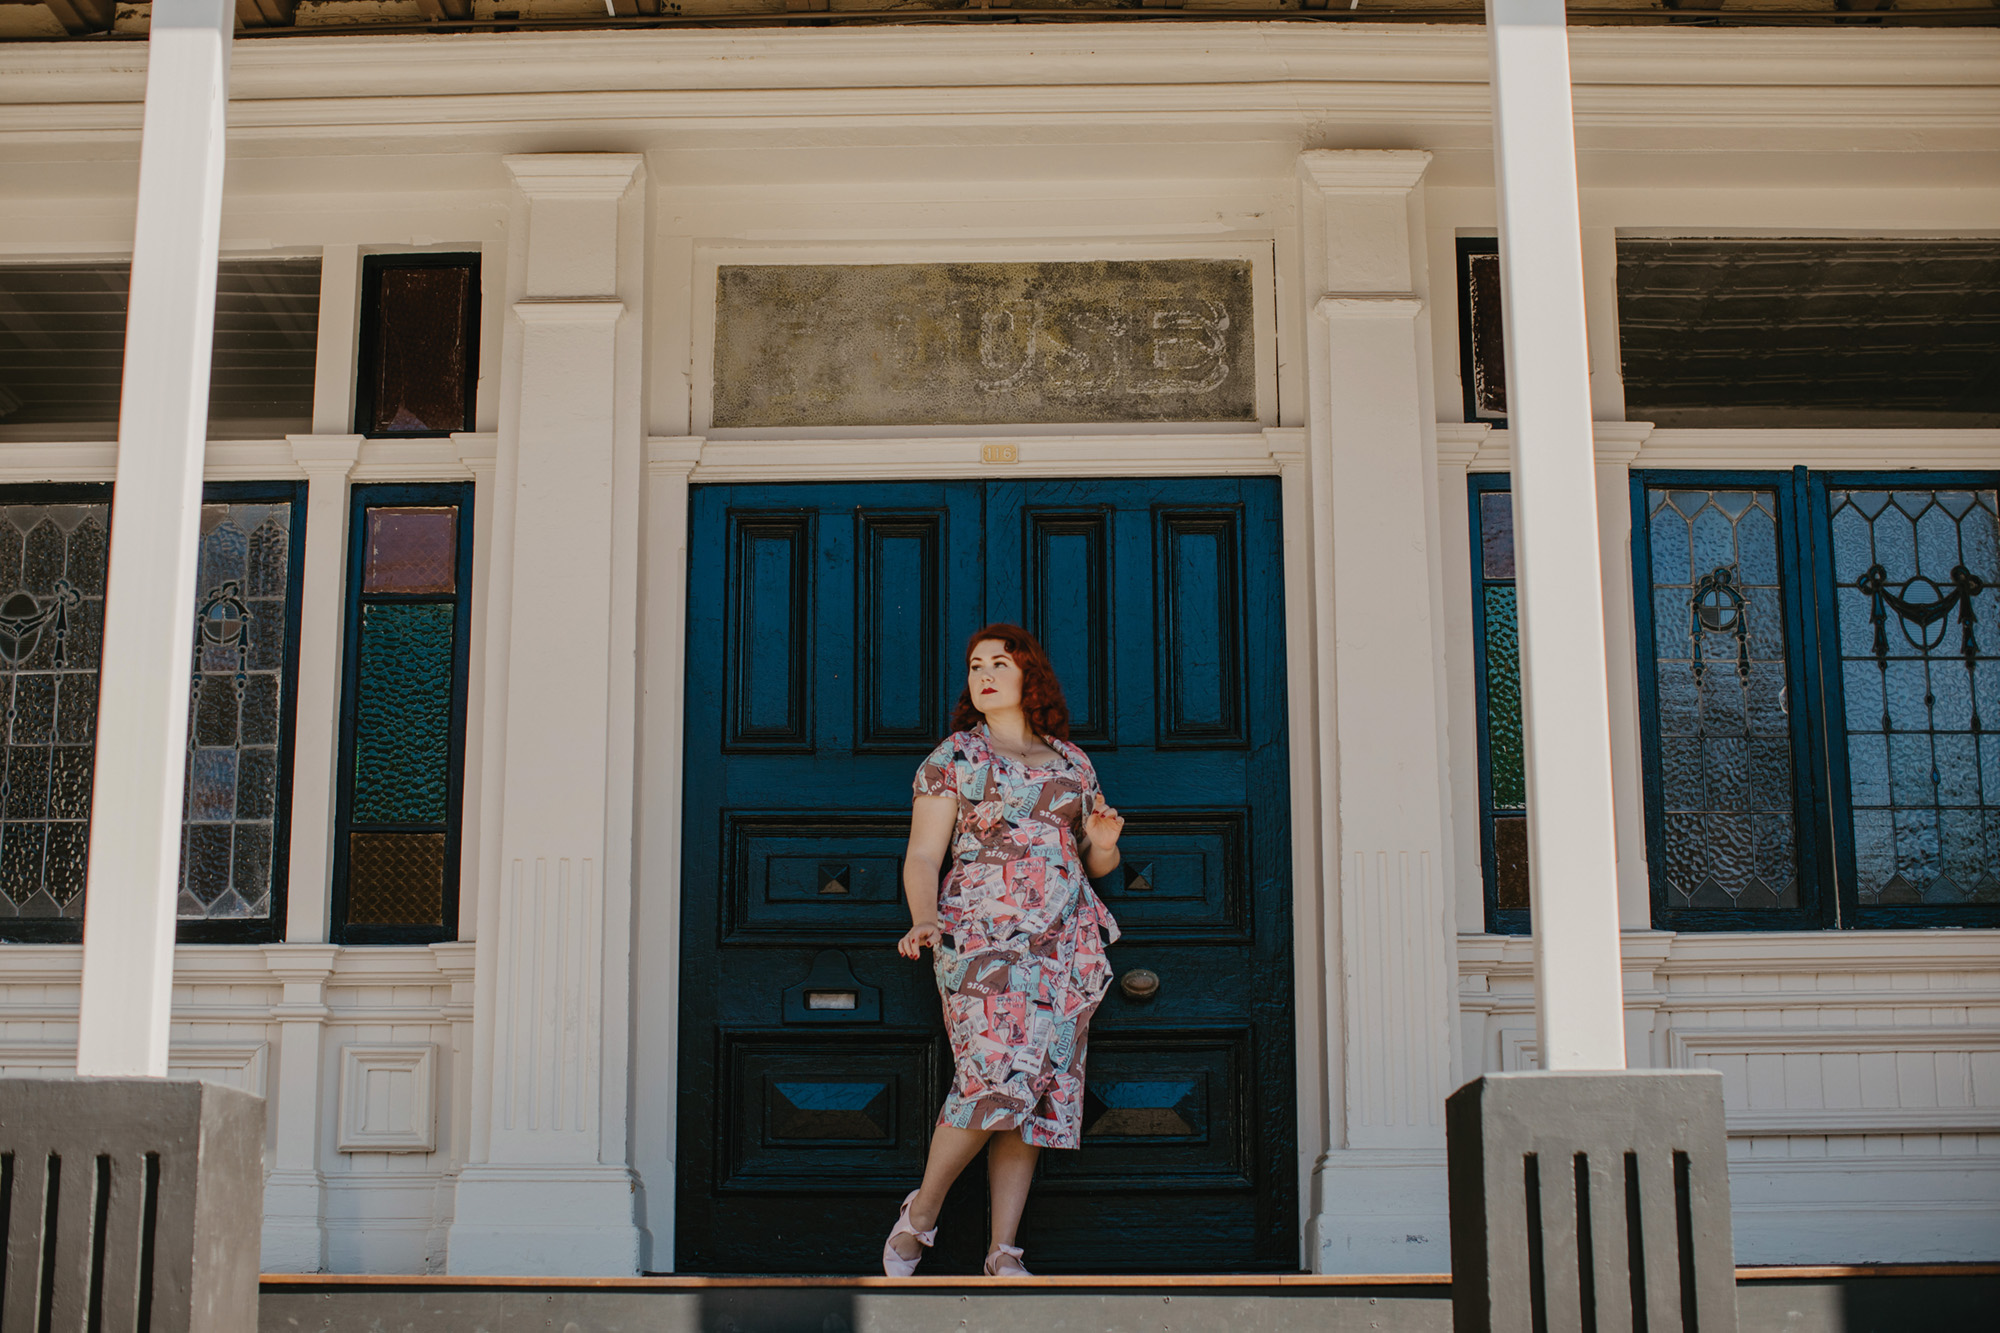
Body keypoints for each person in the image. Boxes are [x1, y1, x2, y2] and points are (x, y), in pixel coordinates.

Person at [881, 623, 1125, 1278]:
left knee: (1036, 1091)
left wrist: (1101, 841)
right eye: (974, 665)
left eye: (999, 662)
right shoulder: (954, 756)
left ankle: (1002, 1249)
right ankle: (923, 1212)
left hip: (1063, 944)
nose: (984, 673)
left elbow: (1098, 862)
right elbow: (924, 853)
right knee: (992, 1076)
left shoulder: (1073, 763)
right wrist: (924, 919)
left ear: (1028, 675)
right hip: (983, 939)